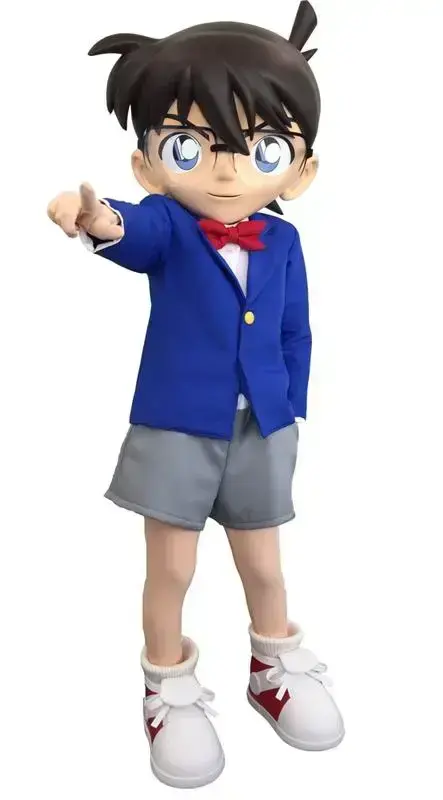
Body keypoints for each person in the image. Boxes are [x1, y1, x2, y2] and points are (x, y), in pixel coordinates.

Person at [47, 1, 344, 789]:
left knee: (265, 567)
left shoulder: (283, 240)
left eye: (261, 146)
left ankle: (273, 668)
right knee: (171, 570)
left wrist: (289, 407)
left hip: (261, 426)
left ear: (300, 169)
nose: (224, 169)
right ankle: (166, 685)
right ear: (148, 164)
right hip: (177, 425)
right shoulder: (167, 224)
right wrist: (95, 219)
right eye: (191, 144)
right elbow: (131, 234)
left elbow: (295, 329)